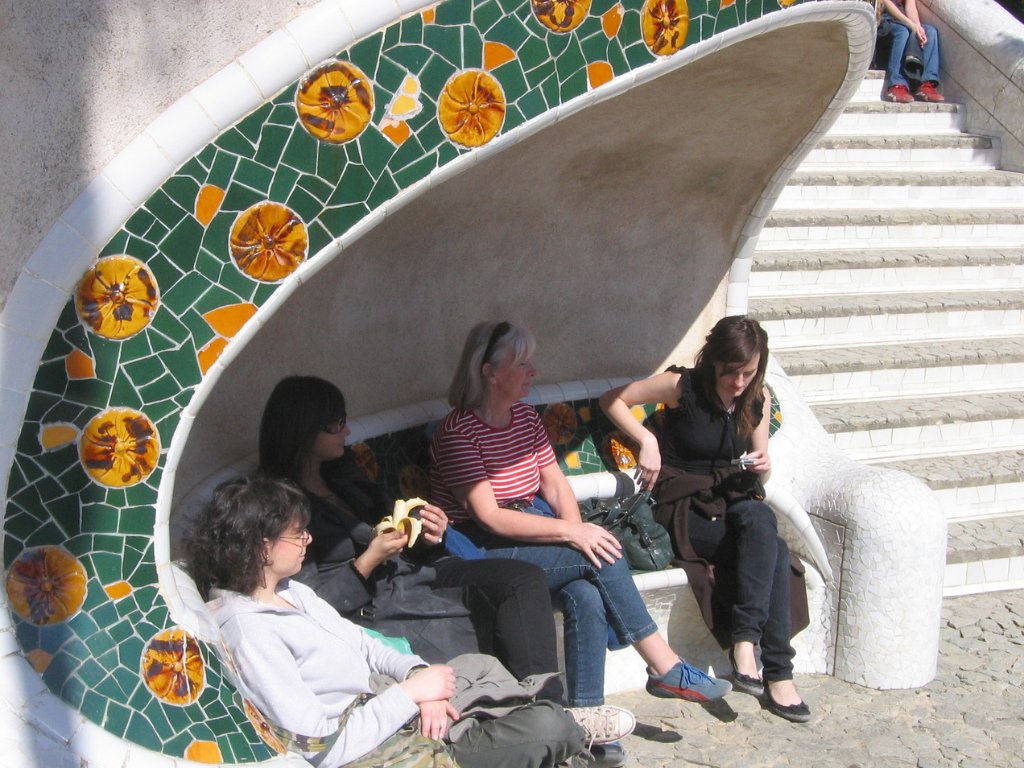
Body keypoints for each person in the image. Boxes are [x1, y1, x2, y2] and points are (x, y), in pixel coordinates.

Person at [186, 475, 635, 768]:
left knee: (476, 666)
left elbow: (364, 642)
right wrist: (408, 696)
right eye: (297, 533)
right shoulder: (248, 630)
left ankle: (545, 724)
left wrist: (418, 678)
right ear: (263, 547)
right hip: (377, 747)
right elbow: (318, 744)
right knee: (547, 729)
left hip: (386, 704)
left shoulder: (292, 593)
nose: (308, 539)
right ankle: (567, 728)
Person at [429, 320, 732, 716]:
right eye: (522, 364)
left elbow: (555, 487)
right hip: (477, 548)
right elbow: (489, 517)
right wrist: (574, 534)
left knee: (586, 590)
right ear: (488, 372)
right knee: (602, 555)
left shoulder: (524, 417)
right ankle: (664, 665)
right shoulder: (458, 433)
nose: (533, 372)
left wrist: (579, 529)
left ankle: (589, 721)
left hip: (526, 533)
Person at [257, 375, 559, 683]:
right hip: (377, 605)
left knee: (523, 578)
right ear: (303, 431)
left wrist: (428, 532)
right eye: (335, 424)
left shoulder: (342, 476)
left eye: (343, 420)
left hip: (419, 570)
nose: (346, 431)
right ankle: (538, 710)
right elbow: (309, 605)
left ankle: (548, 702)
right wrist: (368, 561)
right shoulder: (284, 510)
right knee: (486, 617)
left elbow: (395, 524)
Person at [599, 315, 812, 723]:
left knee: (761, 523)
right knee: (774, 551)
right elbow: (613, 399)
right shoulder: (683, 386)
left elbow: (761, 471)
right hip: (683, 503)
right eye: (730, 372)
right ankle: (779, 673)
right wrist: (647, 440)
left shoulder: (758, 398)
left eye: (747, 373)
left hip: (732, 497)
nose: (737, 381)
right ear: (714, 361)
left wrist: (763, 464)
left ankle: (746, 643)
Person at [878, 0, 944, 103]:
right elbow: (886, 4)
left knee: (930, 32)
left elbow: (910, 7)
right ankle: (897, 84)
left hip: (903, 21)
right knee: (903, 32)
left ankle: (925, 83)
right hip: (882, 20)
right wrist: (911, 25)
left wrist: (917, 27)